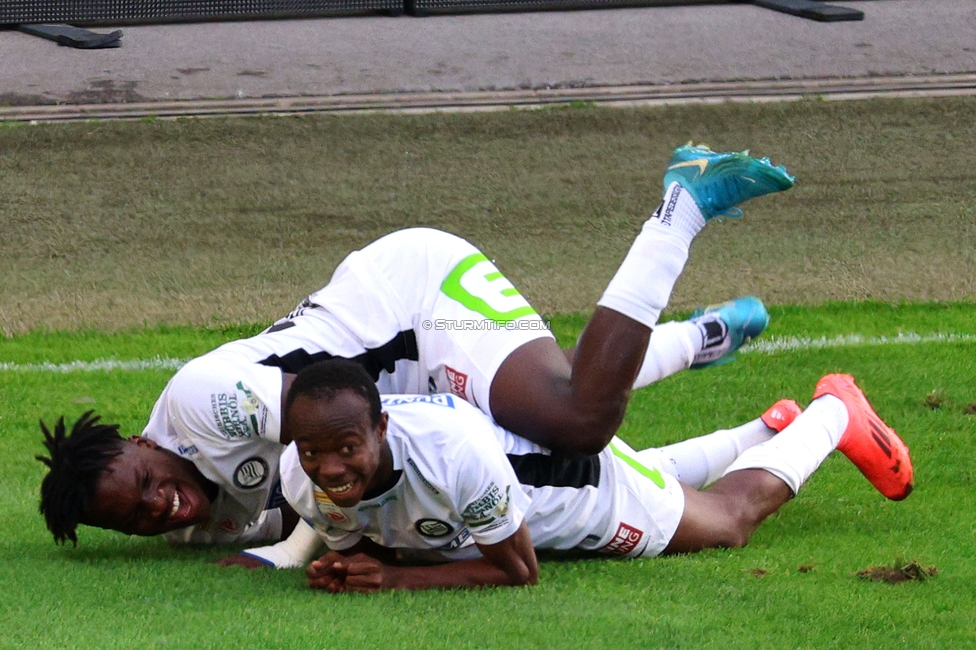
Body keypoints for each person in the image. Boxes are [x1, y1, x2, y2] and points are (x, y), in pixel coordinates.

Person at [36, 144, 794, 561]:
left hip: (415, 302)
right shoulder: (196, 528)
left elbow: (333, 413)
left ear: (143, 443)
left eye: (144, 481)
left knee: (577, 421)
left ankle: (681, 204)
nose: (157, 505)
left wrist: (288, 558)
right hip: (408, 398)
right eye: (136, 520)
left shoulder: (207, 403)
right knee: (557, 449)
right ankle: (701, 338)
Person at [280, 359, 913, 593]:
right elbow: (360, 538)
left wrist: (391, 578)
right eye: (313, 453)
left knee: (725, 522)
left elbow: (517, 572)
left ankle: (836, 412)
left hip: (582, 491)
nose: (329, 469)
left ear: (383, 430)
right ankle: (767, 431)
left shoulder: (452, 456)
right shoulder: (300, 473)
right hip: (518, 472)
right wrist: (347, 567)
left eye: (346, 448)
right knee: (657, 472)